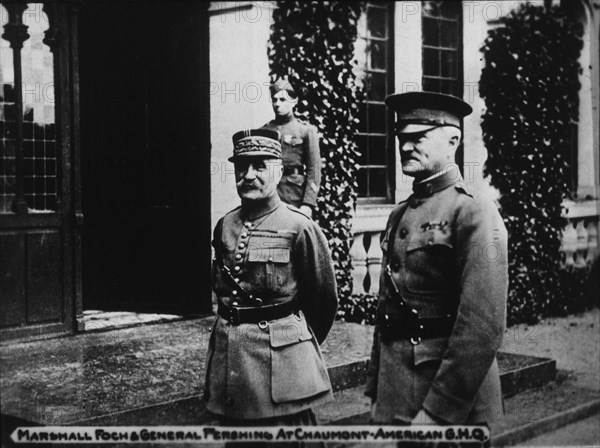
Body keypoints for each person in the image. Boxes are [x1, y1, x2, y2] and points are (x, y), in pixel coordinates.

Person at [365, 91, 508, 426]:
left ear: (453, 140)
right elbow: (388, 310)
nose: (404, 147)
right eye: (401, 138)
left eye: (417, 137)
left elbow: (483, 324)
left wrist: (438, 410)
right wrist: (377, 388)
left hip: (451, 404)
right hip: (397, 392)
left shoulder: (473, 211)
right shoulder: (399, 214)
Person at [205, 128, 338, 436]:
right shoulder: (225, 225)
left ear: (278, 171)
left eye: (259, 166)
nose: (248, 175)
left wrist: (291, 344)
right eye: (241, 167)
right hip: (233, 364)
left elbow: (323, 301)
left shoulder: (299, 227)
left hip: (282, 369)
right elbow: (223, 293)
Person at [261, 79, 321, 218]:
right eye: (274, 100)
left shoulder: (306, 131)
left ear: (294, 101)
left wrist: (308, 204)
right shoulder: (264, 131)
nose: (277, 104)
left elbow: (314, 170)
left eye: (283, 99)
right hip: (269, 197)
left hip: (295, 197)